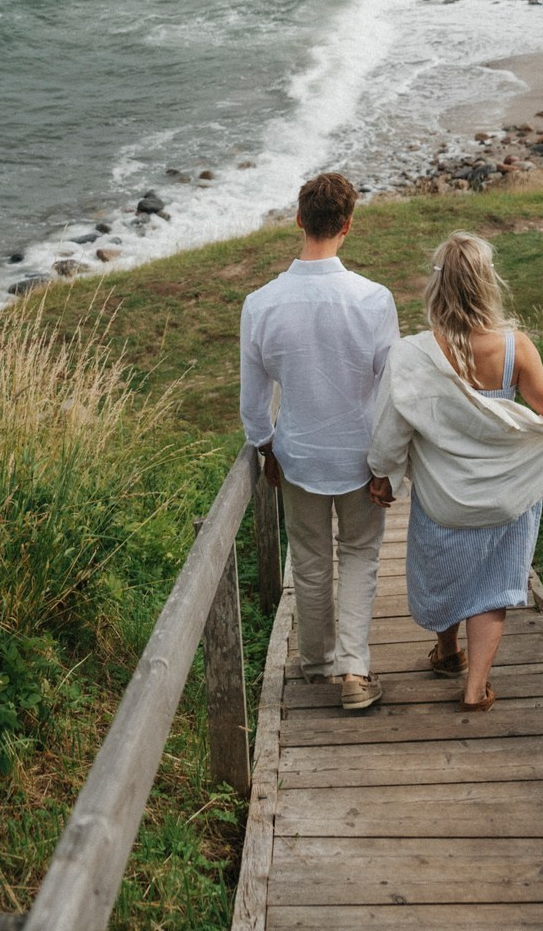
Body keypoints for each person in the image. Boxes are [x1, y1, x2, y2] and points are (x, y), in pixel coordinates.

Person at [367, 231, 543, 711]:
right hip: (506, 496)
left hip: (445, 497)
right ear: (487, 285)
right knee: (492, 584)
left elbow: (390, 429)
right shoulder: (514, 348)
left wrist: (384, 474)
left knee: (444, 571)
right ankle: (475, 688)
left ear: (436, 289)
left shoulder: (412, 354)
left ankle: (447, 650)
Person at [241, 171, 400, 711]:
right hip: (360, 453)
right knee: (360, 556)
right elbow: (390, 391)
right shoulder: (374, 300)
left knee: (309, 559)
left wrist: (265, 446)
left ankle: (315, 664)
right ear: (348, 226)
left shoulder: (260, 304)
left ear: (299, 220)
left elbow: (253, 399)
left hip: (298, 454)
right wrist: (386, 463)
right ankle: (355, 670)